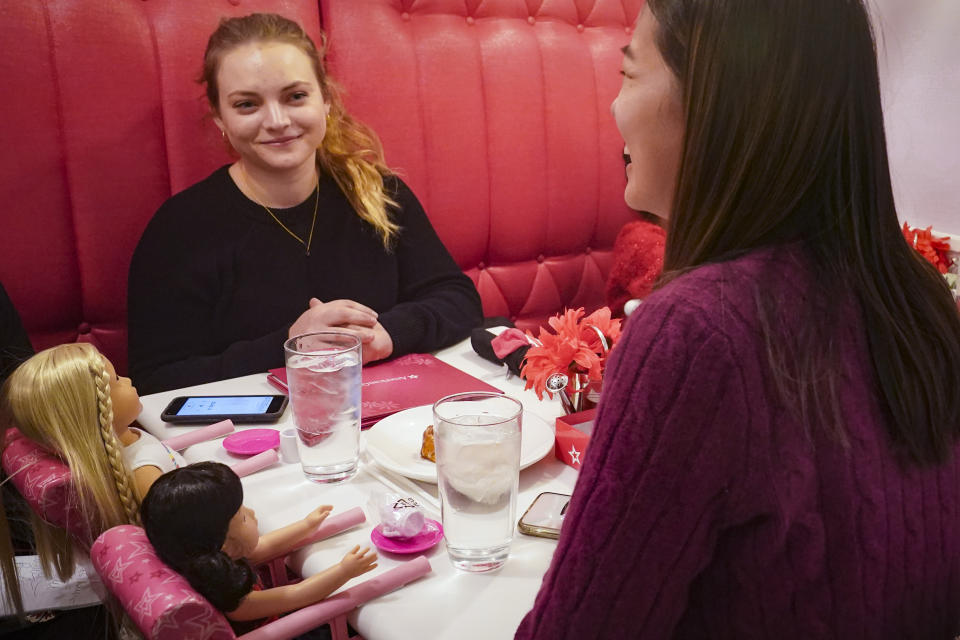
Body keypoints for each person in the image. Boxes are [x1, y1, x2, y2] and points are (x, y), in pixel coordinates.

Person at [516, 0, 960, 638]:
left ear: (714, 100)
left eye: (630, 74)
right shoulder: (917, 295)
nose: (614, 106)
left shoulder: (697, 332)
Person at [128, 13, 483, 394]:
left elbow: (459, 301)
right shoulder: (180, 229)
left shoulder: (380, 193)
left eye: (295, 97)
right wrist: (290, 346)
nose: (278, 120)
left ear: (325, 101)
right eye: (247, 105)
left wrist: (387, 335)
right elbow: (155, 379)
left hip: (395, 426)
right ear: (220, 118)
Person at [0, 343, 185, 614]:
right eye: (118, 380)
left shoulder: (121, 443)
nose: (130, 379)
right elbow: (186, 532)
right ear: (98, 411)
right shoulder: (143, 473)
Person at [141, 462, 377, 634]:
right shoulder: (233, 598)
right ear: (224, 544)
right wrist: (344, 570)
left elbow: (265, 544)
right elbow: (296, 595)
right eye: (242, 517)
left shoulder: (200, 557)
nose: (252, 514)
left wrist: (307, 525)